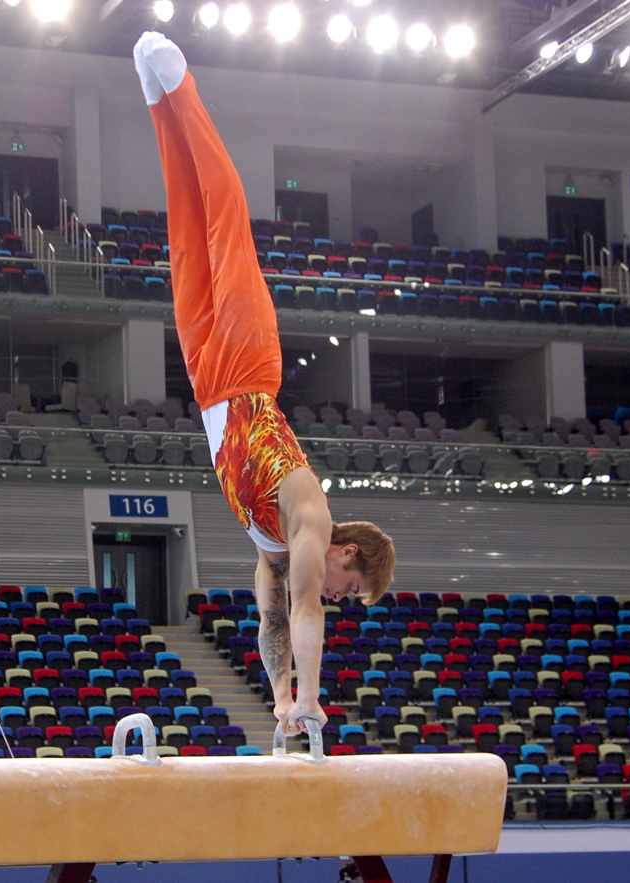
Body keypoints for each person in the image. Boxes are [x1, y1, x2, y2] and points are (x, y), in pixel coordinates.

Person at [133, 32, 396, 738]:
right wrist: (312, 698)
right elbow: (307, 610)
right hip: (249, 370)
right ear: (349, 554)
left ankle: (157, 106)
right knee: (224, 223)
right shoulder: (310, 514)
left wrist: (279, 696)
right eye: (353, 588)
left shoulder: (276, 548)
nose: (341, 596)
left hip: (207, 384)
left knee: (186, 244)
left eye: (350, 597)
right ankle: (180, 88)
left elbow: (272, 617)